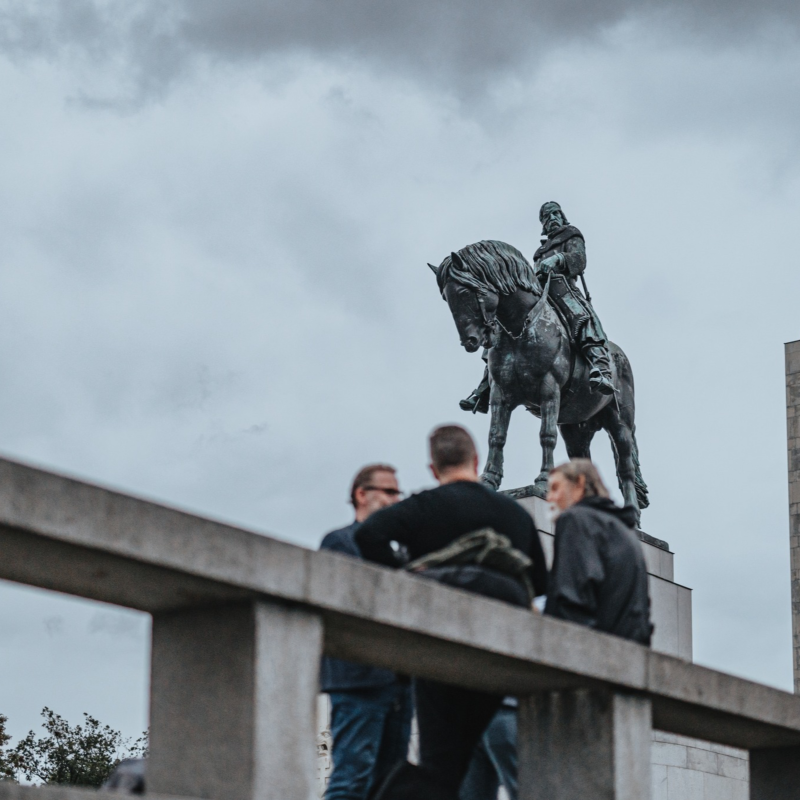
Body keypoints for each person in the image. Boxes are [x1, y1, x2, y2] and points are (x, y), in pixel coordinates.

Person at [355, 426, 548, 800]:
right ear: (476, 461)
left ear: (433, 468)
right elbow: (540, 581)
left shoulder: (422, 506)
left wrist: (403, 575)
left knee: (440, 765)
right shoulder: (513, 515)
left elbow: (368, 536)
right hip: (499, 660)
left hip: (439, 655)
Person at [460, 201, 614, 414]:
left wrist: (559, 259)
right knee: (501, 326)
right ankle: (486, 386)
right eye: (546, 217)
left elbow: (579, 260)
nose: (551, 219)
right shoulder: (539, 251)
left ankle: (601, 368)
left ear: (562, 216)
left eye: (554, 214)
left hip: (563, 288)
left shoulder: (572, 235)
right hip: (539, 292)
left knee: (581, 316)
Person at [320, 464, 413, 800]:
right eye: (387, 491)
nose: (395, 499)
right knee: (351, 780)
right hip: (358, 680)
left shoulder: (398, 549)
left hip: (399, 682)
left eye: (397, 492)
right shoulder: (340, 541)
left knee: (390, 786)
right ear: (361, 494)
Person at [544, 459, 652, 645]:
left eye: (555, 488)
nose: (549, 498)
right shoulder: (624, 531)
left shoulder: (575, 519)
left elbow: (572, 598)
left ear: (579, 484)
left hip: (587, 654)